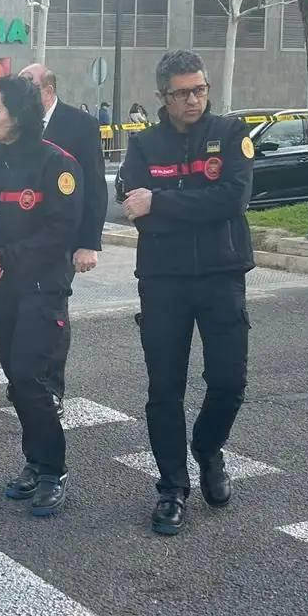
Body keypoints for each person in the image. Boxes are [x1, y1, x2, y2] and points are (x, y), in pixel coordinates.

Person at [120, 49, 254, 537]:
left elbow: (232, 199)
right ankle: (172, 486)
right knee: (164, 389)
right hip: (163, 280)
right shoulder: (144, 145)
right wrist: (167, 205)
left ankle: (208, 447)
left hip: (222, 272)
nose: (194, 99)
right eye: (182, 92)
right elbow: (132, 205)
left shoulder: (231, 135)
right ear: (163, 97)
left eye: (200, 89)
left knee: (229, 382)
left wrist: (163, 202)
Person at [0, 75, 82, 518]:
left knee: (33, 380)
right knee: (19, 383)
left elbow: (59, 231)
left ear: (19, 115)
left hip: (42, 290)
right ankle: (34, 461)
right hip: (1, 290)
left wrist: (6, 257)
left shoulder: (57, 164)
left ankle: (53, 469)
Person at [19, 63, 108, 416]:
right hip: (23, 240)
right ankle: (26, 378)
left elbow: (96, 187)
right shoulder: (20, 124)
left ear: (48, 89)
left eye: (29, 87)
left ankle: (52, 385)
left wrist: (89, 242)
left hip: (63, 237)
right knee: (24, 308)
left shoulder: (80, 125)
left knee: (52, 308)